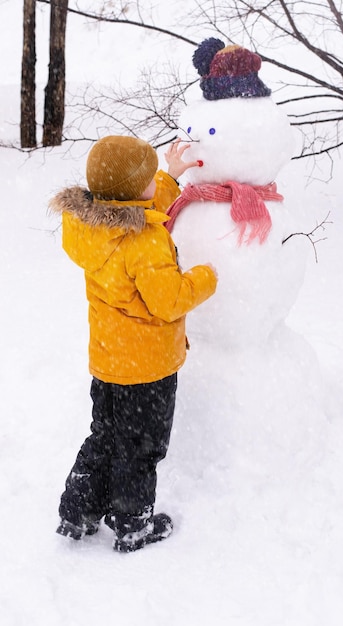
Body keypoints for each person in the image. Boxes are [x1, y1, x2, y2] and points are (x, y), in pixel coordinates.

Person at [49, 135, 218, 553]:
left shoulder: (89, 222)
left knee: (104, 436)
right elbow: (170, 300)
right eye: (146, 178)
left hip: (109, 361)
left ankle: (78, 510)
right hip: (147, 368)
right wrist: (206, 277)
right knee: (140, 448)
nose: (151, 183)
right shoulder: (144, 241)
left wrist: (168, 177)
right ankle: (132, 524)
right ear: (130, 192)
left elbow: (136, 206)